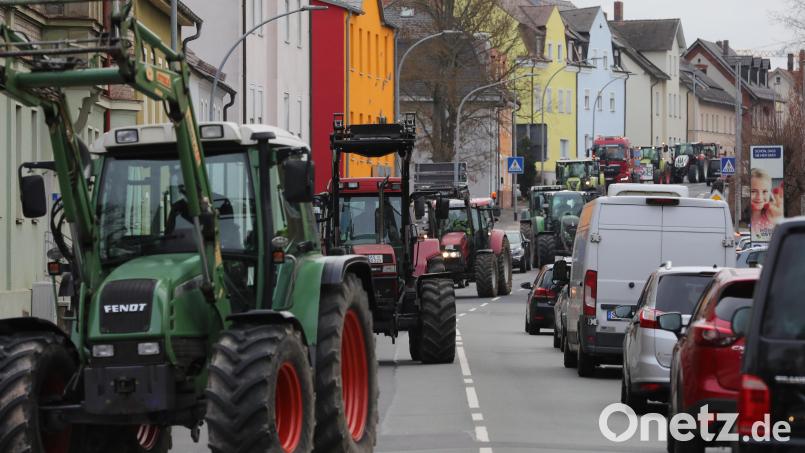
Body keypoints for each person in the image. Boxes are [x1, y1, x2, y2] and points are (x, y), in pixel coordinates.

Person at [750, 168, 784, 242]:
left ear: (770, 193)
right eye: (753, 191)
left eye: (764, 191)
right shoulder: (741, 216)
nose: (759, 197)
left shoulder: (772, 214)